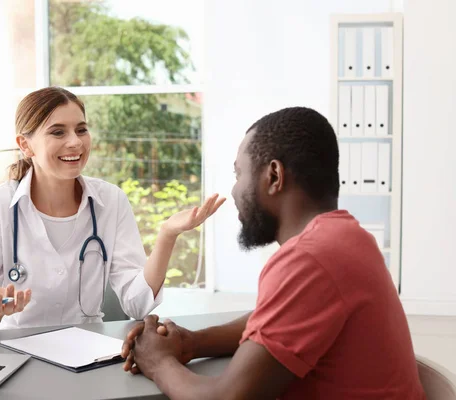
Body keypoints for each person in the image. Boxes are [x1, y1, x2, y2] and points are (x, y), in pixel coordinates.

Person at [121, 107, 426, 399]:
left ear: (274, 176)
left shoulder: (310, 258)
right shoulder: (348, 237)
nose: (235, 191)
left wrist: (158, 361)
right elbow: (276, 319)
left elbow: (228, 397)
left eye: (239, 174)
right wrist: (192, 343)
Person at [0, 87, 224, 330]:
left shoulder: (111, 201)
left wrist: (167, 234)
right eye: (58, 132)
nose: (75, 142)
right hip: (21, 351)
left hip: (88, 353)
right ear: (25, 145)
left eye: (81, 129)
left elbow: (138, 305)